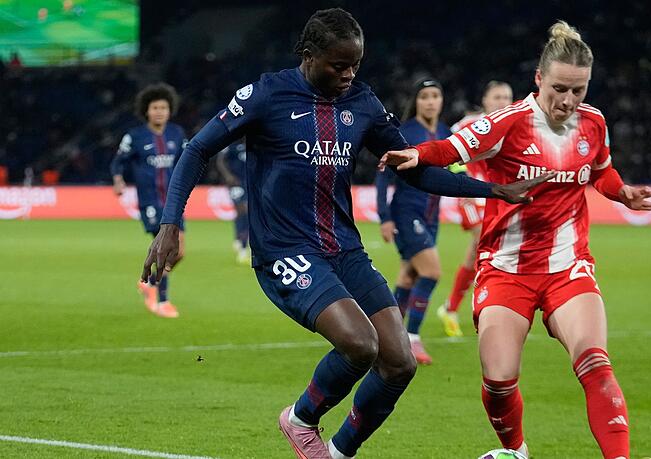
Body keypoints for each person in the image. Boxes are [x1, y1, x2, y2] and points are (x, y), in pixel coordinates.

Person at [140, 9, 553, 459]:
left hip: (344, 248)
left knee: (399, 362)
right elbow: (197, 149)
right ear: (308, 55)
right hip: (285, 249)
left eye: (355, 65)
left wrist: (493, 189)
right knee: (359, 344)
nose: (348, 74)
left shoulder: (362, 103)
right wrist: (170, 222)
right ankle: (301, 419)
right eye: (338, 65)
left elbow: (413, 169)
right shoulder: (267, 94)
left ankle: (338, 453)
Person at [378, 21, 651, 459]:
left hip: (568, 266)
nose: (568, 100)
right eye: (559, 89)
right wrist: (417, 153)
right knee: (498, 380)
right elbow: (451, 149)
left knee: (595, 362)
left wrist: (620, 191)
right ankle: (516, 451)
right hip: (506, 269)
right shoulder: (508, 122)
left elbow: (601, 171)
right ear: (539, 79)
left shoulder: (594, 122)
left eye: (579, 90)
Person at [375, 77, 450, 365]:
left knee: (409, 276)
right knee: (431, 272)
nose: (430, 102)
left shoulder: (444, 132)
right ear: (416, 101)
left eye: (435, 96)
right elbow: (383, 175)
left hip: (431, 216)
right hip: (407, 212)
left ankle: (386, 337)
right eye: (424, 96)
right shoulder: (405, 132)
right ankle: (412, 337)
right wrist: (384, 217)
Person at [437, 80, 514, 337]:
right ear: (485, 100)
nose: (503, 102)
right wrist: (461, 177)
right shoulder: (469, 125)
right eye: (497, 97)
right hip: (471, 192)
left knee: (477, 254)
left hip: (499, 193)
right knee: (483, 240)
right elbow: (449, 148)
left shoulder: (515, 125)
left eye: (507, 97)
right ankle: (485, 307)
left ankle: (451, 308)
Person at [112, 82, 187, 318]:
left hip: (174, 202)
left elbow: (187, 161)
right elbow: (118, 162)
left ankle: (150, 283)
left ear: (170, 110)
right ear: (146, 110)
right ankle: (162, 301)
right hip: (151, 202)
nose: (159, 112)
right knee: (166, 247)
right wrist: (118, 180)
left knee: (180, 252)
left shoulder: (177, 134)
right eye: (155, 108)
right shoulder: (135, 136)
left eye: (163, 108)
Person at [216, 140, 250, 265]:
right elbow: (220, 161)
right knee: (243, 210)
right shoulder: (232, 144)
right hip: (236, 183)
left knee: (245, 213)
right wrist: (228, 176)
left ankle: (239, 238)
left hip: (250, 183)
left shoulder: (255, 143)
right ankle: (243, 248)